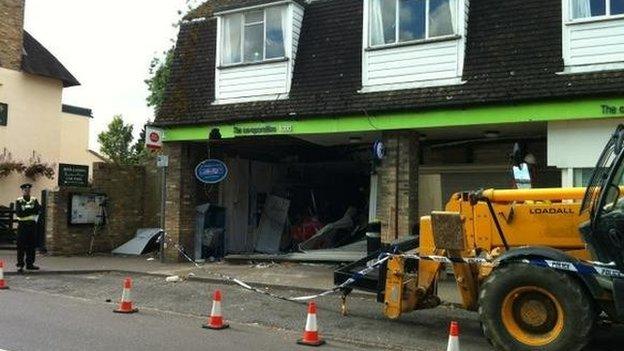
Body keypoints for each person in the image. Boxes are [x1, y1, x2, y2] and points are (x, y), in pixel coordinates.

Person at [15, 183, 41, 273]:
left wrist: (26, 210)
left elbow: (38, 210)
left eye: (28, 190)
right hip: (22, 225)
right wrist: (31, 210)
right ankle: (20, 265)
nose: (27, 191)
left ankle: (30, 264)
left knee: (31, 246)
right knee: (21, 246)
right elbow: (19, 213)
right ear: (22, 191)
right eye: (25, 190)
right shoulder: (19, 200)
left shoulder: (34, 199)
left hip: (32, 225)